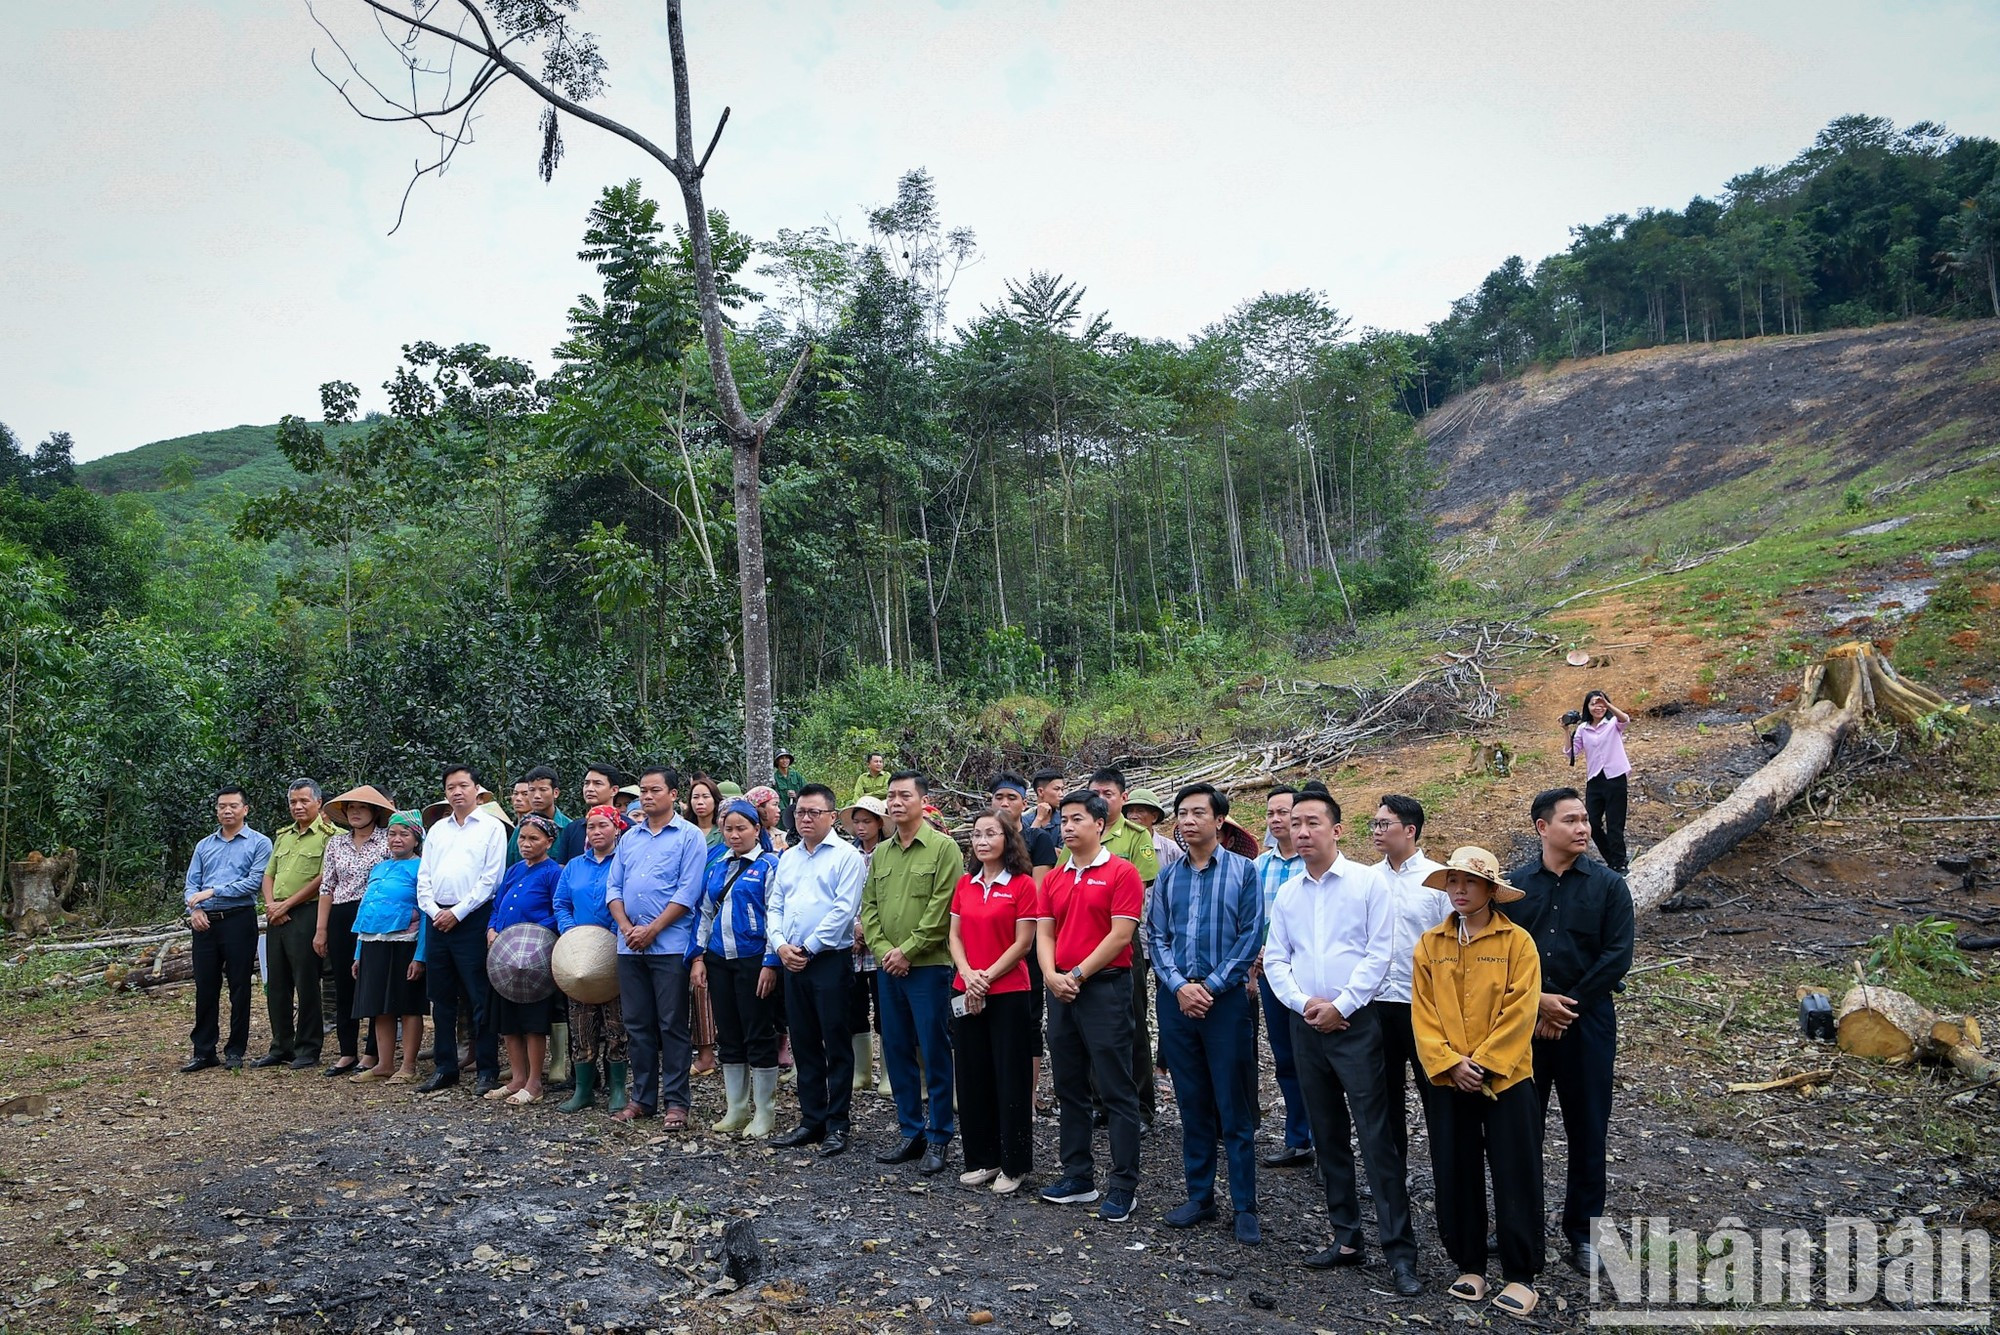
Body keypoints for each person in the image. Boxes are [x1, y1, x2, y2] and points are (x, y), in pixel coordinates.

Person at [1261, 788, 1423, 1296]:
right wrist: (1303, 1002)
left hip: (1357, 1025)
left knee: (1377, 1139)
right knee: (1328, 1135)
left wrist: (1342, 1005)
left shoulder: (1366, 885)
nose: (1302, 831)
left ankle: (1400, 1252)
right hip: (1306, 1025)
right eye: (1296, 824)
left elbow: (1381, 953)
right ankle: (1346, 1237)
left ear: (1336, 830)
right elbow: (1275, 957)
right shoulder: (1289, 892)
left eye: (1313, 823)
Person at [1509, 787, 1636, 1278]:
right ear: (1543, 828)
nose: (1584, 828)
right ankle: (1522, 1226)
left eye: (1585, 819)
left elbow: (1616, 956)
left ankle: (1584, 1234)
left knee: (1588, 1129)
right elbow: (1501, 956)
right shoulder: (1516, 888)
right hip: (1523, 1022)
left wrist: (1566, 1007)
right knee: (1522, 1130)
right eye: (1572, 820)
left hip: (1588, 1023)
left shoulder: (1608, 886)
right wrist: (1536, 1002)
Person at [1412, 846, 1544, 1318]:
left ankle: (1521, 1274)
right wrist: (1449, 1063)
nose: (1460, 891)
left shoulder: (1517, 943)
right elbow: (1423, 1013)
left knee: (1516, 1170)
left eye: (1469, 883)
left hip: (1507, 1079)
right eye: (1453, 882)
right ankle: (1469, 1264)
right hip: (1450, 1079)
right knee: (1455, 1167)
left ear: (1491, 890)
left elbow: (1521, 1009)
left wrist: (1484, 1063)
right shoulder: (1431, 944)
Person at [1148, 783, 1266, 1244]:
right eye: (1182, 813)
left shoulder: (1244, 872)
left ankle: (1244, 1205)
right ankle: (1200, 1195)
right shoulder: (1169, 877)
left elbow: (1251, 935)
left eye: (1199, 812)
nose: (1188, 820)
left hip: (1225, 1004)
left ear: (1220, 821)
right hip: (1177, 1004)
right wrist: (1180, 986)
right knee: (1192, 1100)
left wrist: (1210, 987)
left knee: (1232, 1105)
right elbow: (1157, 937)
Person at [1036, 788, 1145, 1221]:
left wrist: (1077, 975)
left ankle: (1123, 1185)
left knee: (1116, 1089)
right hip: (1060, 989)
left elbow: (1120, 935)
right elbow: (1045, 932)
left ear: (1100, 824)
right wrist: (1050, 976)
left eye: (1077, 819)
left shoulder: (1122, 873)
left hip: (1104, 988)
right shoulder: (1057, 877)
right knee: (1069, 1086)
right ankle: (1077, 1175)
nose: (1067, 826)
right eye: (1064, 820)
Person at [864, 771, 963, 1174]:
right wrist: (887, 951)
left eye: (905, 795)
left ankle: (940, 1136)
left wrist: (908, 950)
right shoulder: (882, 853)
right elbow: (869, 907)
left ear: (924, 801)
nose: (896, 802)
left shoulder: (944, 849)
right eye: (891, 796)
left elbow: (944, 909)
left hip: (929, 968)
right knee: (897, 1048)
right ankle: (910, 1129)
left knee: (934, 1050)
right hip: (890, 969)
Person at [606, 765, 708, 1128]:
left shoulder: (689, 836)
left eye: (654, 791)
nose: (646, 797)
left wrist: (652, 929)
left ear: (674, 795)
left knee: (672, 1024)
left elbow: (688, 891)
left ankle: (677, 1103)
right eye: (642, 792)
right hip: (628, 944)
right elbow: (614, 888)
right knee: (637, 1024)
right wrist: (627, 927)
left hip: (668, 945)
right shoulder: (630, 838)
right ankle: (642, 1098)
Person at [768, 782, 867, 1155]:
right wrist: (780, 945)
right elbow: (775, 905)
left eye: (814, 813)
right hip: (792, 960)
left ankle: (838, 1124)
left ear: (831, 816)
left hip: (828, 960)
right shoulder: (789, 857)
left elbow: (843, 910)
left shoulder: (846, 857)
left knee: (835, 1042)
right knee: (804, 1041)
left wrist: (807, 948)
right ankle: (811, 1119)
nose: (805, 818)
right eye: (800, 812)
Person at [948, 811, 1039, 1195]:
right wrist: (968, 975)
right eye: (977, 834)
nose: (982, 841)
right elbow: (954, 936)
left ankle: (1014, 1163)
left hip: (1008, 992)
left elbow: (1023, 943)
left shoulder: (1022, 885)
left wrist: (985, 978)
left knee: (1009, 1077)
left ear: (1008, 839)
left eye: (991, 834)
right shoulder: (965, 884)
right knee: (972, 1076)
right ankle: (982, 1158)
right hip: (964, 989)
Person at [1071, 768, 1160, 1132]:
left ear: (1123, 797)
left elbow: (1134, 887)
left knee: (1131, 1024)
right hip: (1080, 944)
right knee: (1087, 1028)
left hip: (1120, 942)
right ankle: (1099, 1102)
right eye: (1094, 792)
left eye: (1107, 793)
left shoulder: (1136, 837)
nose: (1101, 799)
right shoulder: (1076, 836)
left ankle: (1139, 1106)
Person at [692, 798, 783, 1138]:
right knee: (728, 1033)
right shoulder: (717, 866)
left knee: (758, 1030)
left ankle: (765, 1111)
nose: (734, 835)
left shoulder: (769, 865)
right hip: (719, 958)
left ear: (757, 829)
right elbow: (703, 913)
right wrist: (698, 957)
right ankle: (736, 1108)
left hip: (753, 958)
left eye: (741, 828)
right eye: (728, 828)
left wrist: (771, 962)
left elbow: (777, 914)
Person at [415, 764, 508, 1095]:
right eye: (451, 787)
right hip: (436, 917)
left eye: (463, 785)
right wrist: (433, 910)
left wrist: (457, 912)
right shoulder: (438, 829)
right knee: (440, 998)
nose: (457, 792)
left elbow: (491, 878)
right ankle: (445, 1066)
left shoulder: (492, 827)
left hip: (473, 918)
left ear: (476, 789)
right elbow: (424, 875)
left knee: (479, 995)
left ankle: (487, 1068)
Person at [1368, 794, 1449, 1162]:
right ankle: (1391, 1176)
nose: (1376, 831)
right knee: (1384, 1095)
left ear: (1410, 830)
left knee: (1437, 1092)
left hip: (1427, 1007)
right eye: (1375, 824)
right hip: (1378, 1004)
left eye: (1384, 824)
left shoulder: (1439, 880)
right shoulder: (1367, 880)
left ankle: (1447, 1173)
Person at [179, 786, 272, 1074]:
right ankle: (204, 1051)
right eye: (222, 806)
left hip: (238, 920)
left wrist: (212, 892)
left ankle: (235, 1050)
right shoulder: (204, 845)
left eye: (233, 806)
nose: (227, 811)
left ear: (246, 809)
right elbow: (190, 885)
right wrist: (194, 910)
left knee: (239, 986)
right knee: (206, 987)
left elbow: (253, 883)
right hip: (204, 923)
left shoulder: (259, 843)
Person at [985, 772, 1059, 1101]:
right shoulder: (984, 840)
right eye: (998, 798)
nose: (1004, 803)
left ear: (1024, 803)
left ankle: (1027, 1095)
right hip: (989, 940)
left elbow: (1041, 894)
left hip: (1025, 940)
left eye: (1011, 798)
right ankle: (995, 1085)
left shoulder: (1038, 839)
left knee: (1027, 1016)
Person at [255, 779, 337, 1071]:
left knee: (306, 983)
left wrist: (286, 905)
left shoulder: (331, 836)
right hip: (276, 915)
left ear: (318, 803)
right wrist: (271, 905)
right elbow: (269, 874)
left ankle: (308, 1047)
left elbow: (323, 879)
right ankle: (281, 1046)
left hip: (306, 913)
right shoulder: (283, 836)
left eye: (304, 801)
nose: (298, 807)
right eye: (293, 802)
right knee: (276, 983)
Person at [554, 804, 629, 1114]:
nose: (596, 832)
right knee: (580, 1021)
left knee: (616, 1023)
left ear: (616, 828)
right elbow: (561, 902)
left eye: (602, 826)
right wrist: (574, 935)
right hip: (577, 955)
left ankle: (618, 1088)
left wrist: (609, 934)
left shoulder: (624, 862)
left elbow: (627, 898)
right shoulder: (573, 866)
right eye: (591, 827)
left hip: (614, 949)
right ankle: (583, 1088)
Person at [316, 785, 395, 1076]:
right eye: (350, 808)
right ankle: (346, 1051)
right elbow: (327, 887)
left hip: (375, 914)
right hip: (341, 913)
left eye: (362, 808)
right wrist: (321, 929)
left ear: (375, 811)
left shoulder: (388, 841)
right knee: (342, 983)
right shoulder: (336, 844)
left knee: (372, 981)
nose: (356, 813)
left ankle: (373, 1052)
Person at [1250, 787, 1310, 1167]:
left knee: (1318, 1060)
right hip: (1273, 975)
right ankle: (1299, 1138)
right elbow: (1253, 919)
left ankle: (1327, 1141)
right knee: (1286, 1059)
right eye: (1270, 813)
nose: (1276, 819)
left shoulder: (1315, 864)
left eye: (1283, 812)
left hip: (1311, 976)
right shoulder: (1259, 866)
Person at [487, 814, 563, 1105]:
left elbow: (559, 909)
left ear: (549, 842)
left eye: (534, 838)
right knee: (508, 1019)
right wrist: (492, 928)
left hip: (534, 958)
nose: (526, 844)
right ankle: (517, 1077)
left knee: (533, 1021)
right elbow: (497, 904)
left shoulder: (552, 872)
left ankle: (534, 1082)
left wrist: (534, 930)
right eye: (522, 838)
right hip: (505, 956)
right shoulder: (515, 870)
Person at [349, 811, 429, 1084]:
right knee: (379, 1005)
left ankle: (407, 1065)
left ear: (416, 839)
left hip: (405, 943)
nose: (397, 839)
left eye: (404, 834)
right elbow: (365, 911)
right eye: (392, 834)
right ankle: (384, 1064)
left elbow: (426, 913)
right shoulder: (379, 868)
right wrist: (358, 953)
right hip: (373, 942)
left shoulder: (422, 868)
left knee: (408, 1005)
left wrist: (420, 956)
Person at [841, 794, 890, 1095]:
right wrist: (853, 927)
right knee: (854, 1006)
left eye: (867, 821)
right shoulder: (847, 854)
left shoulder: (888, 853)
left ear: (880, 823)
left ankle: (888, 1072)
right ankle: (861, 1072)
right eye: (857, 821)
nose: (861, 827)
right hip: (851, 943)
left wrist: (868, 931)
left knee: (885, 1008)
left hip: (881, 943)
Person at [1567, 691, 1633, 872]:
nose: (1598, 708)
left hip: (1615, 777)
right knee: (1592, 823)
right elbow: (1571, 752)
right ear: (1587, 707)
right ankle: (1611, 859)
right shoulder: (1583, 728)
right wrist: (1566, 731)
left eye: (1601, 704)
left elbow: (1625, 719)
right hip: (1595, 779)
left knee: (1615, 823)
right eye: (1594, 704)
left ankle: (1619, 863)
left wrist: (1607, 704)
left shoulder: (1613, 724)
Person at [555, 764, 622, 864]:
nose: (589, 789)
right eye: (586, 784)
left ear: (614, 790)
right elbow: (563, 867)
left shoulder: (628, 828)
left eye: (597, 784)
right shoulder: (572, 828)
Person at [1124, 787, 1183, 874]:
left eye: (1140, 811)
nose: (1133, 816)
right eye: (1130, 811)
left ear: (1154, 817)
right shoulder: (1119, 846)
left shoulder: (1172, 851)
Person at [745, 784, 789, 854]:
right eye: (774, 804)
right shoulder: (744, 837)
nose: (779, 810)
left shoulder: (784, 837)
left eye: (778, 805)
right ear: (759, 807)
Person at [686, 774, 725, 849]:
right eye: (695, 797)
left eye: (705, 796)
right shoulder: (685, 831)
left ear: (715, 799)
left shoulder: (724, 832)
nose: (700, 802)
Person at [772, 750, 804, 839]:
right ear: (777, 761)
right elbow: (775, 797)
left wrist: (796, 795)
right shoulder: (774, 778)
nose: (785, 760)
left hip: (797, 811)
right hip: (782, 813)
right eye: (782, 758)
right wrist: (784, 812)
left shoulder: (796, 775)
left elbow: (806, 791)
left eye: (786, 758)